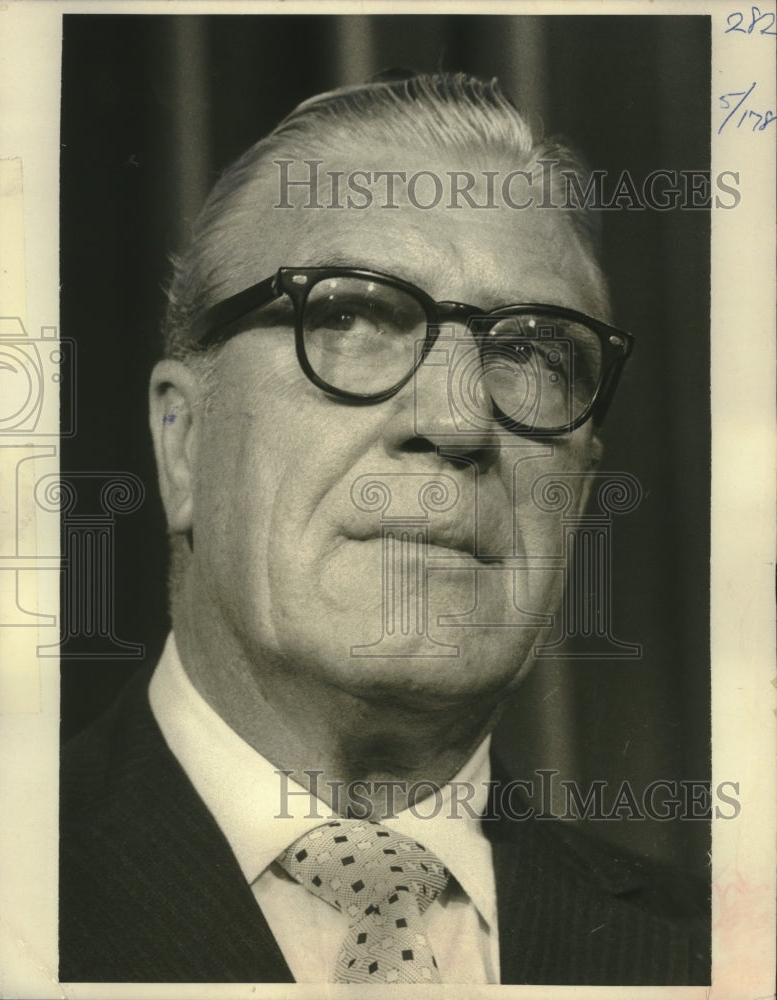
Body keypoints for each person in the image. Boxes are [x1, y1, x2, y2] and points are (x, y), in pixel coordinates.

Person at [59, 71, 709, 985]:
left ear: (579, 491)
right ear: (184, 443)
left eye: (529, 352)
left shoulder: (718, 954)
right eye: (353, 315)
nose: (458, 424)